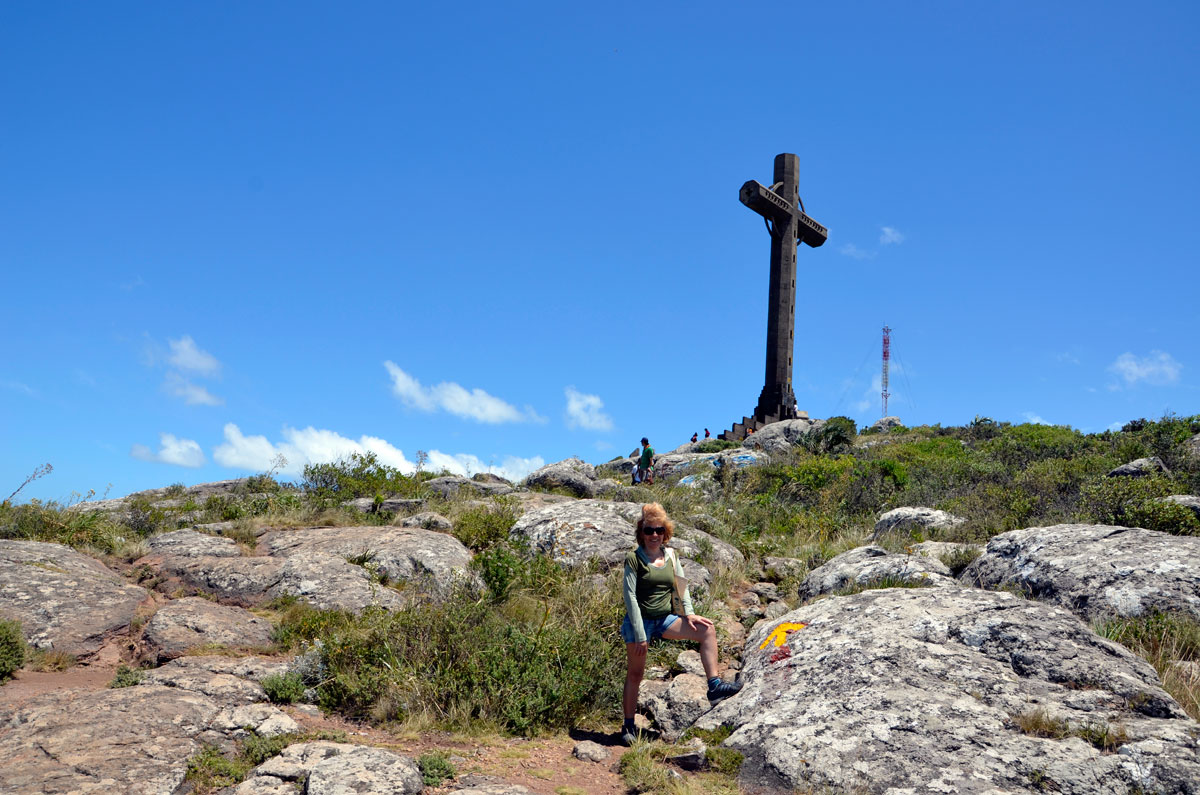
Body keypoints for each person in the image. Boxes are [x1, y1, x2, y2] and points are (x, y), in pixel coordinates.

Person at [620, 503, 742, 745]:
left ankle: (714, 686)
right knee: (635, 674)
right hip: (639, 622)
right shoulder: (634, 559)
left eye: (659, 530)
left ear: (665, 532)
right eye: (648, 530)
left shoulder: (670, 555)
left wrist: (690, 614)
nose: (654, 535)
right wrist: (640, 632)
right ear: (641, 533)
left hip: (665, 619)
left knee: (707, 630)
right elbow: (630, 596)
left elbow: (680, 586)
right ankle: (629, 725)